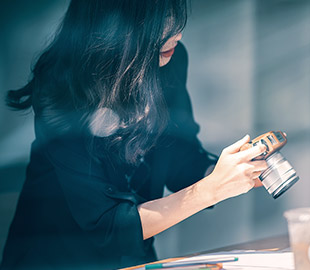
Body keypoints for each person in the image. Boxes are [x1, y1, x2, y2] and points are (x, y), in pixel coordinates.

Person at [1, 0, 267, 269]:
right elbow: (105, 224)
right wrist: (211, 189)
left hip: (133, 256)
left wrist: (228, 169)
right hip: (57, 258)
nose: (178, 32)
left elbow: (179, 156)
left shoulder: (170, 58)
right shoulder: (61, 89)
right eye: (163, 15)